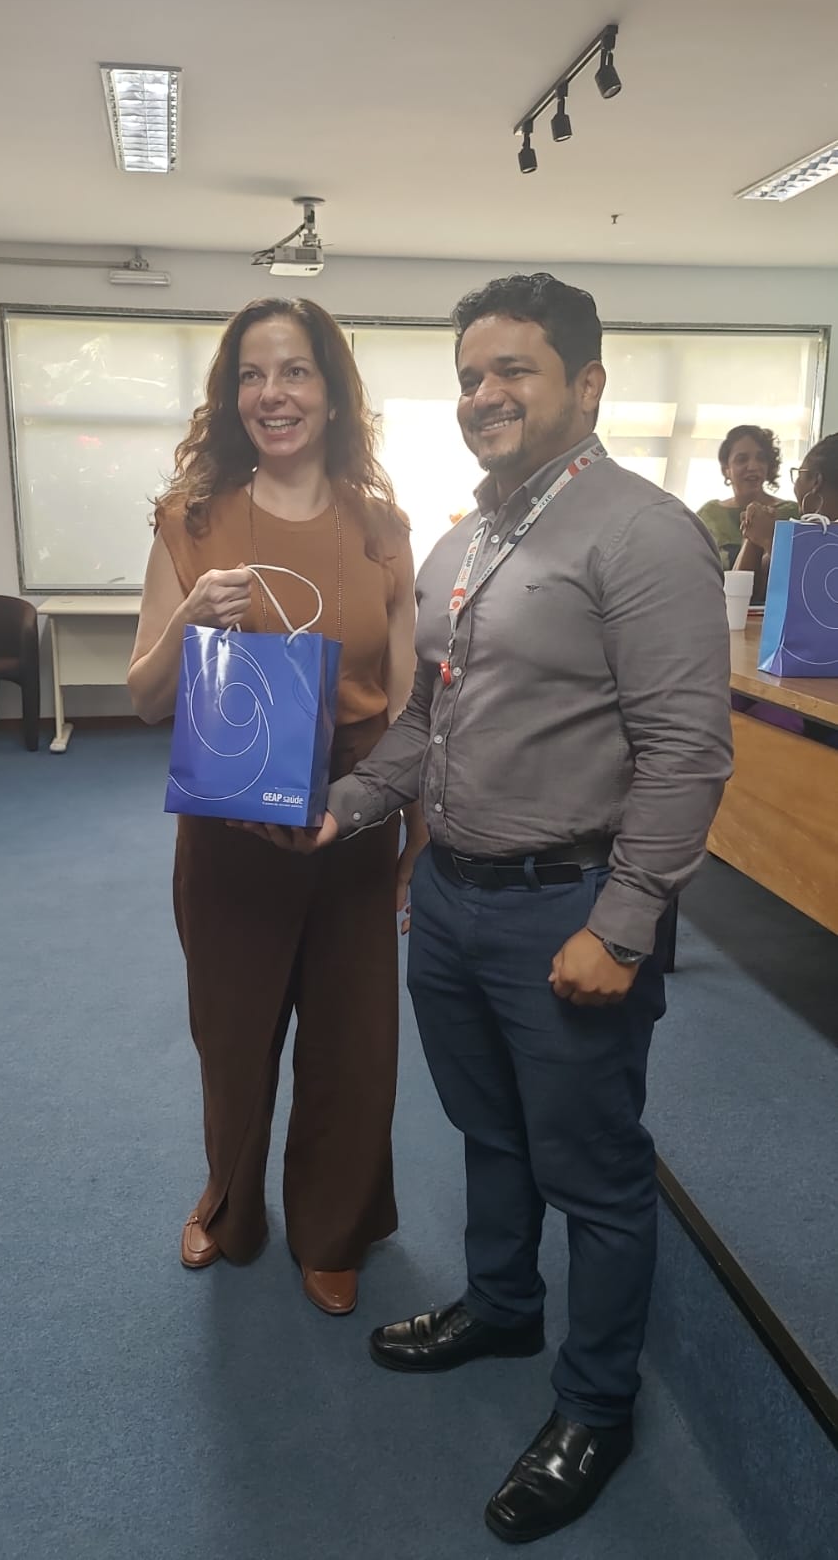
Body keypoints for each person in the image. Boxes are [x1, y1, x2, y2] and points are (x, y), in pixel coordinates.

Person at [312, 274, 733, 1541]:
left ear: (585, 385)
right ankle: (502, 1308)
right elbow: (424, 723)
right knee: (487, 1134)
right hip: (449, 899)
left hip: (567, 907)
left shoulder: (642, 533)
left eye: (514, 371)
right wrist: (349, 802)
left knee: (593, 1175)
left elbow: (686, 753)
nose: (482, 395)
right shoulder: (467, 541)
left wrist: (622, 923)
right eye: (468, 375)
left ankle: (595, 1406)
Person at [127, 296, 424, 1316]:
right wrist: (188, 619)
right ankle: (228, 1203)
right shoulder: (192, 520)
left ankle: (335, 1227)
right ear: (231, 397)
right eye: (251, 376)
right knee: (233, 1033)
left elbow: (408, 701)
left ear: (331, 392)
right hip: (230, 816)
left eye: (294, 371)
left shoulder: (382, 529)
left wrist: (412, 831)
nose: (273, 394)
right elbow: (145, 695)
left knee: (352, 1038)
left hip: (353, 809)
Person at [696, 424, 796, 597]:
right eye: (742, 459)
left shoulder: (792, 513)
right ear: (726, 469)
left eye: (761, 458)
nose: (753, 466)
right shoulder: (708, 515)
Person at [734, 432, 838, 594]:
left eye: (799, 474)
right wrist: (754, 537)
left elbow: (820, 593)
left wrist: (772, 539)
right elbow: (741, 593)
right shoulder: (804, 535)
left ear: (816, 481)